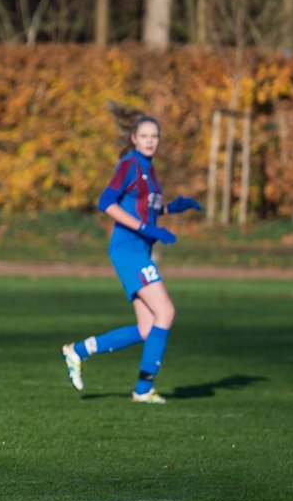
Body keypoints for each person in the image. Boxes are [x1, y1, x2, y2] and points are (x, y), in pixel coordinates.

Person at [61, 105, 201, 404]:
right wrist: (145, 228)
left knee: (147, 328)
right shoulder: (129, 165)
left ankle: (79, 351)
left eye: (155, 136)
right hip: (127, 248)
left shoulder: (149, 169)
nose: (150, 141)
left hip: (139, 247)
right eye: (144, 136)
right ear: (134, 139)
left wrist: (171, 209)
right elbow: (106, 202)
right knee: (166, 312)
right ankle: (143, 389)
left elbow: (142, 208)